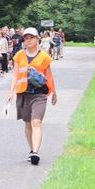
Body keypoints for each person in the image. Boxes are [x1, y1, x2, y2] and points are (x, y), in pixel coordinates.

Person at [6, 27, 58, 165]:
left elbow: (49, 75)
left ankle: (35, 152)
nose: (28, 40)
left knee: (36, 122)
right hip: (23, 93)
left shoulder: (44, 57)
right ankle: (31, 149)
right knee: (28, 123)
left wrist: (54, 92)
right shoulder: (19, 55)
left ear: (37, 39)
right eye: (26, 38)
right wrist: (10, 92)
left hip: (39, 94)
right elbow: (15, 74)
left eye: (31, 38)